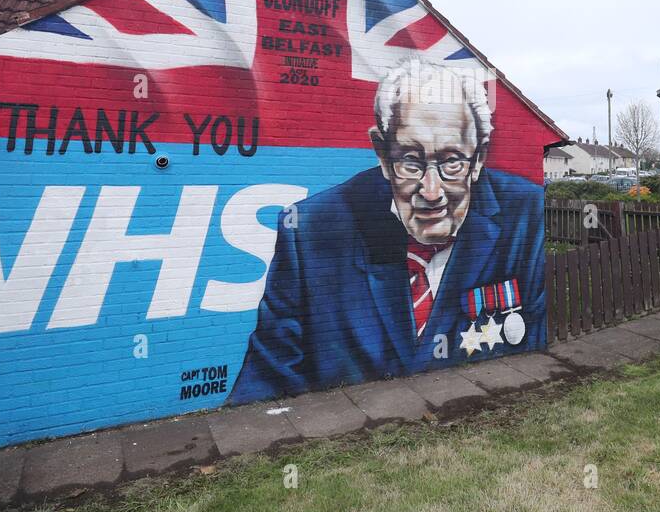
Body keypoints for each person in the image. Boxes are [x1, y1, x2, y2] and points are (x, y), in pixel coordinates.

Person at [230, 55, 545, 403]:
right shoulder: (311, 232)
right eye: (410, 160)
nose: (431, 191)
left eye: (452, 161)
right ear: (382, 153)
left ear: (479, 158)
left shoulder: (526, 214)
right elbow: (265, 386)